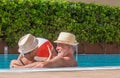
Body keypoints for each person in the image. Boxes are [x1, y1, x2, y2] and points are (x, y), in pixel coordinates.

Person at [11, 32, 78, 68]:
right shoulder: (73, 61)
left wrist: (21, 68)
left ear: (69, 47)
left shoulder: (61, 59)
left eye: (60, 45)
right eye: (57, 45)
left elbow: (42, 65)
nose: (57, 48)